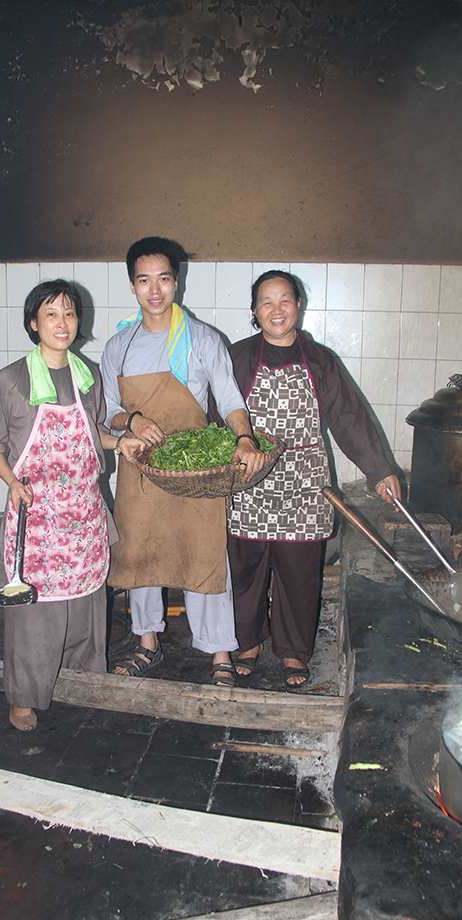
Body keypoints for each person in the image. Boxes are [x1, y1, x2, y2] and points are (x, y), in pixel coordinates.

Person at [0, 279, 143, 731]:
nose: (62, 323)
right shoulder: (9, 381)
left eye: (69, 313)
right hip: (37, 518)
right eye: (51, 314)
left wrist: (120, 443)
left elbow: (93, 433)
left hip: (83, 514)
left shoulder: (86, 376)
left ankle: (81, 682)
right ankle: (24, 697)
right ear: (34, 323)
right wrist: (12, 482)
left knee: (86, 608)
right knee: (34, 615)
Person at [99, 237, 264, 686]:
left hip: (196, 469)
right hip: (141, 468)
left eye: (164, 279)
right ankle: (146, 643)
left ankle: (219, 650)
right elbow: (108, 411)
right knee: (140, 554)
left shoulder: (202, 339)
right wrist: (132, 420)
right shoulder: (119, 346)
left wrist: (244, 438)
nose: (154, 290)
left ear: (177, 282)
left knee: (205, 553)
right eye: (144, 280)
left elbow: (229, 398)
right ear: (132, 285)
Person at [226, 270, 401, 691]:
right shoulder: (237, 357)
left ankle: (293, 650)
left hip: (304, 482)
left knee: (299, 573)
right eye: (267, 302)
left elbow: (349, 417)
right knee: (245, 570)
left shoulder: (321, 360)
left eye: (285, 299)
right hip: (249, 481)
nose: (277, 310)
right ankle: (248, 641)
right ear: (254, 310)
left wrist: (380, 469)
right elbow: (215, 412)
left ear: (299, 304)